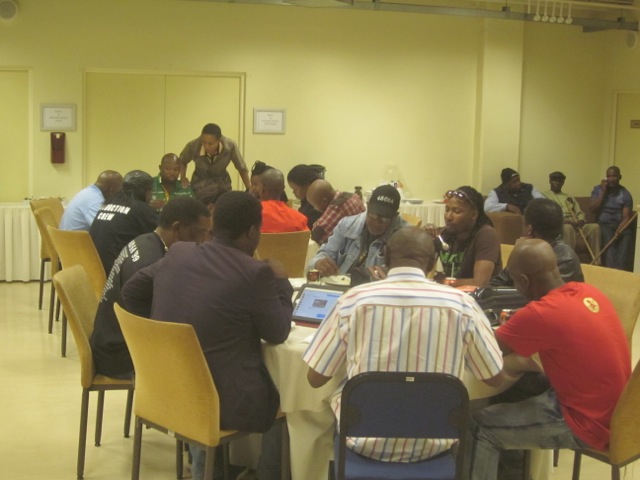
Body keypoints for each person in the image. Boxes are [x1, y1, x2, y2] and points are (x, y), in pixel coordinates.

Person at [121, 191, 292, 480]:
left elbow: (131, 291)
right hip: (217, 403)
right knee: (289, 401)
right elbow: (278, 332)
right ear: (252, 231)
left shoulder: (179, 253)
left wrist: (161, 331)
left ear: (214, 224)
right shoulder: (255, 273)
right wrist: (281, 283)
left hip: (162, 389)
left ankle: (218, 468)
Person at [303, 226, 504, 463]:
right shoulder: (462, 305)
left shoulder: (352, 301)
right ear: (433, 262)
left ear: (387, 257)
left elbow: (315, 379)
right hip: (437, 444)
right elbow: (494, 377)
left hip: (362, 442)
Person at [468, 239, 631, 480]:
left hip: (587, 424)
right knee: (524, 389)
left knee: (480, 427)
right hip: (620, 415)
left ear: (523, 281)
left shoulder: (541, 313)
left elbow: (482, 347)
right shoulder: (589, 292)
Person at [90, 197, 212, 378]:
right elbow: (157, 322)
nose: (205, 241)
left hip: (110, 341)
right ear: (178, 229)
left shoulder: (145, 240)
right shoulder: (151, 262)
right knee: (208, 360)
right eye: (202, 233)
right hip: (120, 354)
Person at [308, 185, 407, 276]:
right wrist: (319, 262)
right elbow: (325, 253)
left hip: (376, 287)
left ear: (395, 216)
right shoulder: (347, 225)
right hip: (341, 283)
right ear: (367, 206)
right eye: (373, 215)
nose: (377, 222)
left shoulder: (405, 237)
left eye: (384, 219)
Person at [491, 198, 584, 286]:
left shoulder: (565, 258)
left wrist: (518, 255)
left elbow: (536, 294)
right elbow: (496, 284)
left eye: (523, 223)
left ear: (529, 230)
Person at [428, 186, 502, 286]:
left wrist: (442, 282)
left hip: (480, 295)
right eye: (447, 210)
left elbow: (479, 283)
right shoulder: (444, 235)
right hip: (452, 293)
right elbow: (420, 270)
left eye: (457, 211)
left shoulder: (486, 235)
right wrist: (424, 238)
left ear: (473, 215)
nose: (448, 217)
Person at [89, 170, 158, 274]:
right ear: (145, 191)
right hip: (116, 274)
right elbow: (163, 234)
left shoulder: (108, 202)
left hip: (95, 269)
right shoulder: (140, 209)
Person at [178, 123, 250, 194]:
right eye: (204, 142)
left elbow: (242, 168)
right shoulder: (193, 146)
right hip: (199, 186)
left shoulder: (230, 146)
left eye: (210, 144)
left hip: (222, 186)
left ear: (219, 141)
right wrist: (183, 178)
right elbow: (182, 160)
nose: (206, 146)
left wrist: (249, 188)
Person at [543, 171, 601, 259]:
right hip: (561, 225)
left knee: (595, 227)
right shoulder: (545, 196)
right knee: (568, 227)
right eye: (554, 180)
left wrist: (581, 220)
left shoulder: (568, 197)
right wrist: (566, 221)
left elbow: (579, 212)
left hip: (575, 224)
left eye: (559, 181)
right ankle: (570, 260)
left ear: (563, 182)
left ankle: (596, 260)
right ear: (550, 181)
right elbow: (548, 215)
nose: (557, 183)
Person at [590, 166, 635, 271]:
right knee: (608, 237)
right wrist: (603, 192)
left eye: (614, 176)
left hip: (620, 224)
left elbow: (626, 217)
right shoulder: (598, 189)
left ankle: (620, 271)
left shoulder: (625, 194)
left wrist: (620, 228)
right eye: (609, 176)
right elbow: (592, 209)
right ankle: (611, 270)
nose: (612, 179)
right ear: (606, 178)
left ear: (620, 177)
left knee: (627, 237)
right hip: (604, 224)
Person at [306, 179, 365, 244]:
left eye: (314, 205)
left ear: (324, 201)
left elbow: (316, 236)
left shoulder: (336, 208)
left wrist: (316, 223)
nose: (314, 208)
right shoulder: (353, 196)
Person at [259, 168, 308, 233]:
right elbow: (306, 238)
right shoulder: (300, 219)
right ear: (283, 189)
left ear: (262, 188)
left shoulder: (252, 214)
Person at [287, 164, 322, 229]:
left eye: (295, 189)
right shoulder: (308, 202)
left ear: (307, 186)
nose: (293, 192)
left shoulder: (314, 208)